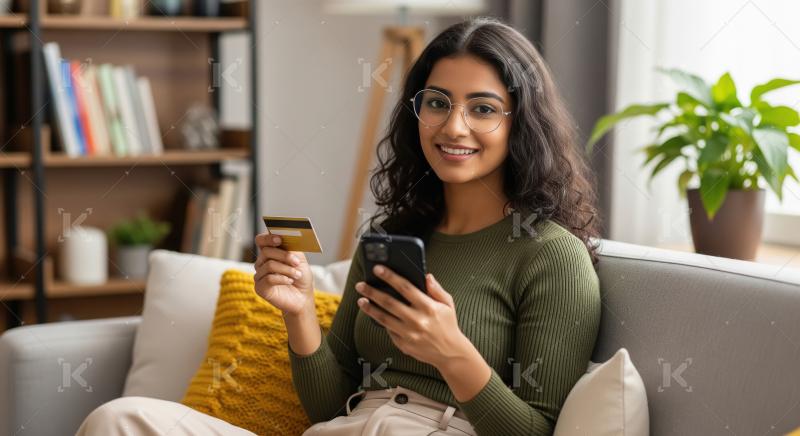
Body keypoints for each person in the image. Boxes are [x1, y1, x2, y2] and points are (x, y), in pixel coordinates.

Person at [76, 16, 600, 436]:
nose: (453, 126)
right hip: (348, 426)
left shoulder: (550, 255)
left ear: (521, 123)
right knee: (119, 419)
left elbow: (537, 430)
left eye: (483, 108)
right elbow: (328, 406)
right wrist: (300, 312)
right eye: (437, 102)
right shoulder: (395, 238)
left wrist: (453, 352)